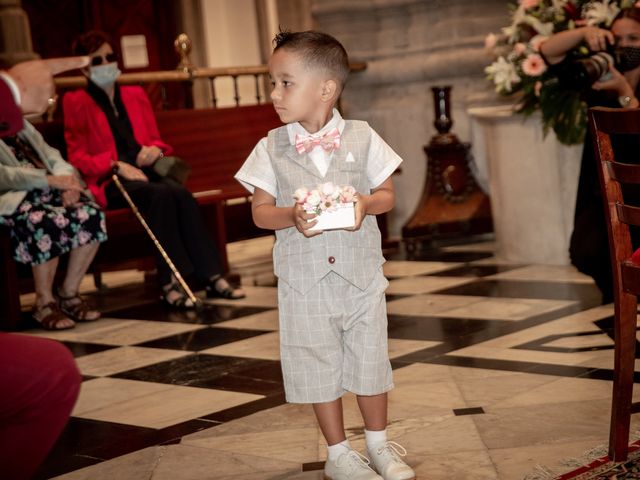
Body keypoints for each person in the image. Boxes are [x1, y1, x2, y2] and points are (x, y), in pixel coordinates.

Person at [235, 31, 415, 480]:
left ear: (326, 88)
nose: (274, 94)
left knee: (370, 359)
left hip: (360, 277)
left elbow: (387, 194)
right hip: (304, 282)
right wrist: (290, 216)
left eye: (285, 82)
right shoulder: (270, 146)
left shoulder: (363, 136)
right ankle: (338, 454)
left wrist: (364, 205)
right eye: (272, 82)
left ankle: (378, 447)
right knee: (317, 361)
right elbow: (259, 214)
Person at [62, 30, 244, 308]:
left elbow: (157, 141)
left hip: (147, 174)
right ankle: (170, 280)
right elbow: (78, 157)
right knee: (160, 196)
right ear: (85, 68)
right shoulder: (76, 102)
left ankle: (212, 275)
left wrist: (154, 151)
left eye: (110, 57)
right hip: (112, 180)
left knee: (181, 194)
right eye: (98, 60)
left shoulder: (134, 95)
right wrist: (115, 164)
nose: (107, 63)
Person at [0, 57, 85, 480]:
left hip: (46, 193)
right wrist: (46, 183)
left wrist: (66, 179)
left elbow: (55, 157)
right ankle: (43, 301)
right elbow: (3, 176)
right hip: (16, 202)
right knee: (43, 219)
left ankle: (68, 293)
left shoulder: (26, 127)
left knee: (86, 212)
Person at [540, 7, 640, 304]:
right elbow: (548, 51)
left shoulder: (619, 83)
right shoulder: (599, 72)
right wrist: (585, 33)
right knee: (585, 251)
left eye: (634, 38)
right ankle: (618, 296)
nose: (625, 46)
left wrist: (624, 92)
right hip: (604, 191)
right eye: (618, 38)